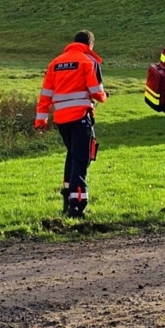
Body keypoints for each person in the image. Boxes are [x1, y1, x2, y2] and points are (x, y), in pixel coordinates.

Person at [35, 30, 107, 217]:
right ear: (90, 45)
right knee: (81, 159)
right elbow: (96, 92)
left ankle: (67, 197)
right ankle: (77, 204)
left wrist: (41, 119)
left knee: (73, 155)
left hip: (61, 119)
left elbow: (46, 95)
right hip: (81, 117)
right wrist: (104, 97)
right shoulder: (88, 61)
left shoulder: (55, 63)